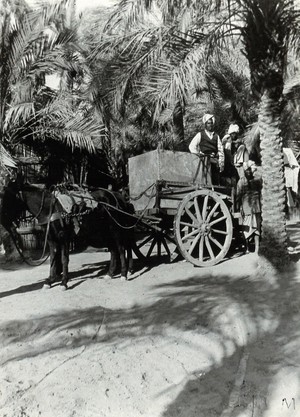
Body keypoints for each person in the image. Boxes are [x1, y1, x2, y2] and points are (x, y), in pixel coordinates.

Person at [189, 113, 224, 184]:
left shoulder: (216, 136)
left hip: (213, 161)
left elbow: (221, 151)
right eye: (208, 123)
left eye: (211, 123)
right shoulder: (200, 134)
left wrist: (221, 164)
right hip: (203, 161)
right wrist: (198, 154)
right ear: (205, 124)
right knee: (204, 180)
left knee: (215, 181)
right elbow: (192, 146)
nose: (210, 125)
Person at [236, 161, 262, 254]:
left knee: (249, 229)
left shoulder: (242, 181)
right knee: (254, 229)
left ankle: (250, 248)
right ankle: (254, 248)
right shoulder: (255, 180)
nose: (249, 172)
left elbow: (238, 195)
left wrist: (238, 206)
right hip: (253, 207)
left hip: (250, 208)